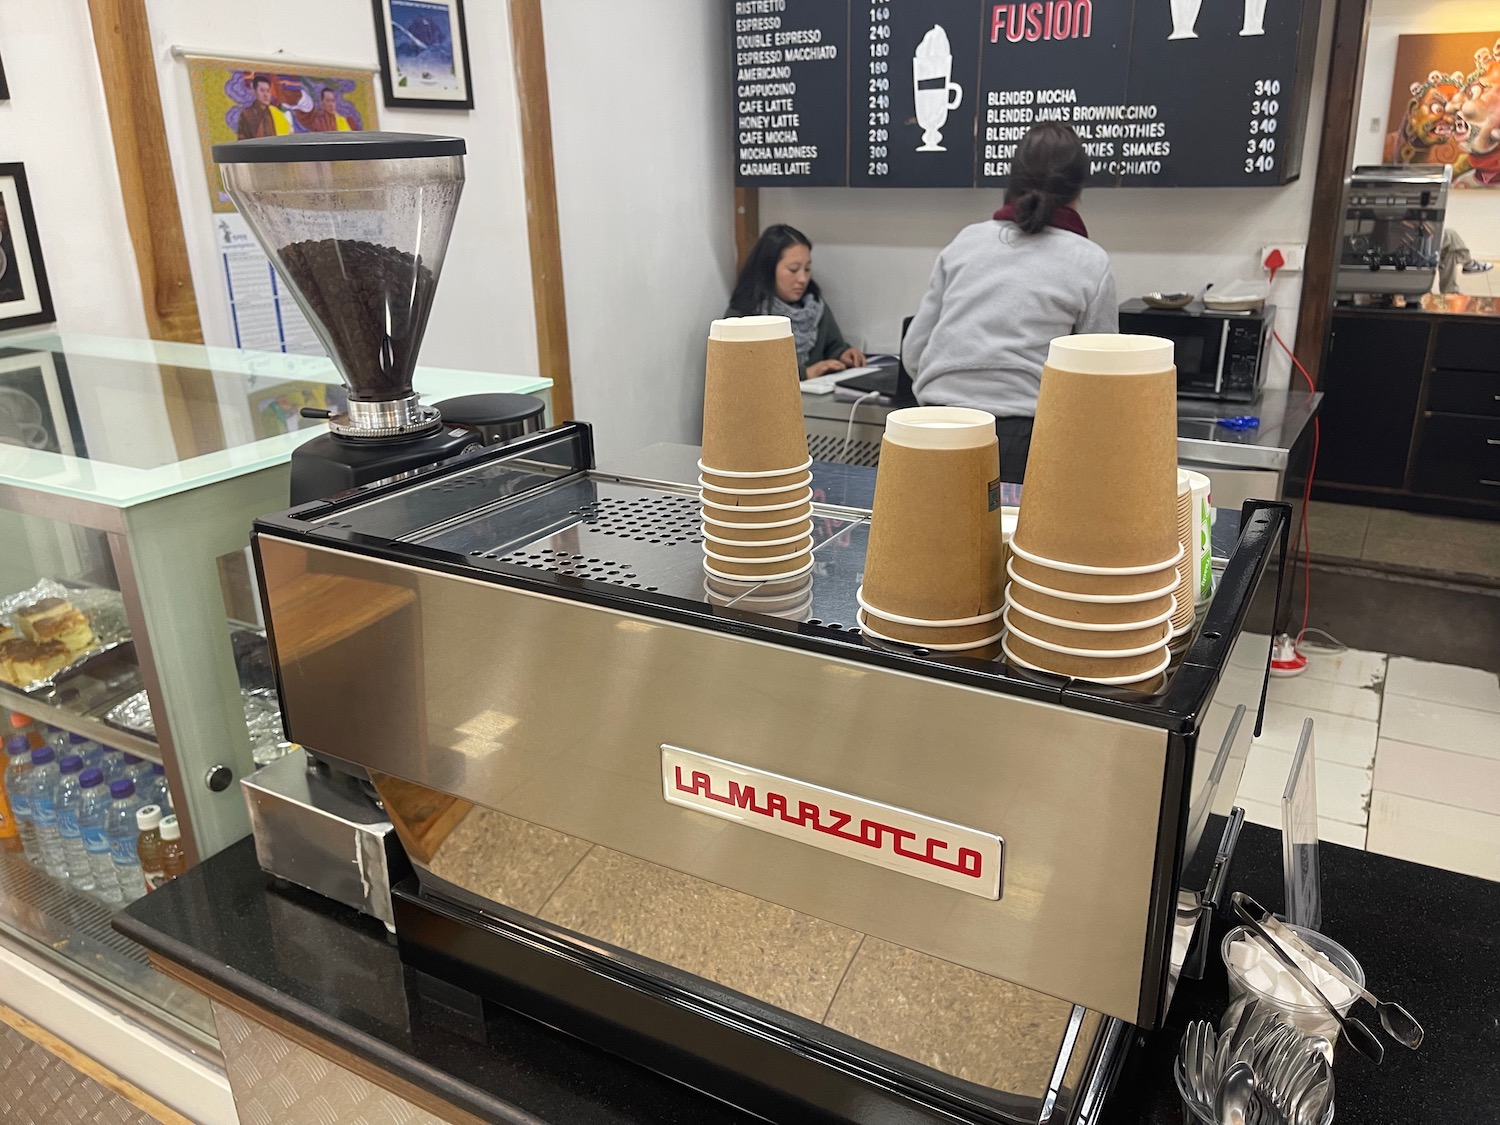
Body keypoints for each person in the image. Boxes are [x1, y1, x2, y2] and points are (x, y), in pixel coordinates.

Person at [902, 123, 1117, 482]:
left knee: (931, 537)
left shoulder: (965, 242)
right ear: (1079, 188)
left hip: (933, 428)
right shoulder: (1090, 261)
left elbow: (913, 352)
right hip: (1024, 440)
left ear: (1011, 180)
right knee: (1009, 539)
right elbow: (1100, 384)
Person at [727, 224, 866, 379]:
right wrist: (804, 373)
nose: (803, 279)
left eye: (807, 269)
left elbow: (833, 347)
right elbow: (744, 374)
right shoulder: (741, 317)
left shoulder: (814, 306)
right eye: (793, 269)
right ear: (768, 269)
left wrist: (844, 353)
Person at [236, 74, 292, 139]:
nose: (266, 95)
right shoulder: (246, 114)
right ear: (254, 91)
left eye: (268, 91)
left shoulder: (275, 113)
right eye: (262, 91)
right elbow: (242, 140)